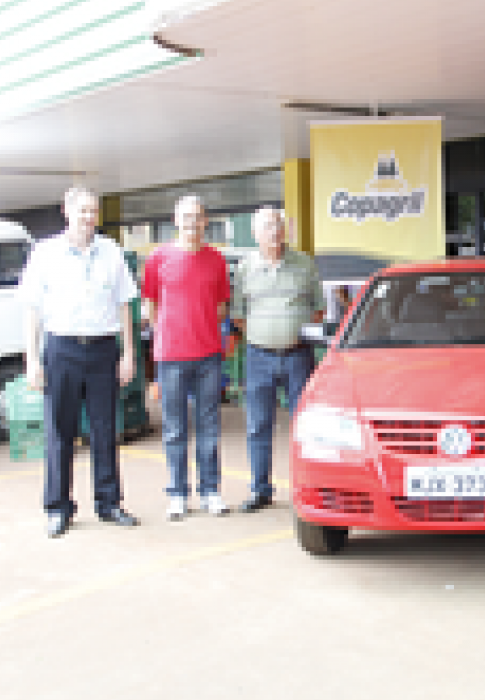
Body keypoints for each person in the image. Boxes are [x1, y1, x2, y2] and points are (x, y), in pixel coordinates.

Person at [20, 187, 140, 538]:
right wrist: (32, 359)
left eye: (93, 211)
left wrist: (128, 353)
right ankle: (58, 508)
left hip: (103, 349)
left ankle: (109, 503)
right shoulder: (45, 253)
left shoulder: (111, 252)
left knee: (105, 430)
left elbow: (124, 304)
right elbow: (32, 308)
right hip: (62, 349)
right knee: (60, 431)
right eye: (83, 210)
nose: (89, 217)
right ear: (66, 211)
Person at [142, 195, 232, 521]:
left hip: (208, 355)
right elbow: (151, 305)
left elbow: (221, 307)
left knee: (209, 425)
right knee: (175, 428)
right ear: (175, 220)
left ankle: (210, 491)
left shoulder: (216, 259)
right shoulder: (158, 258)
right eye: (187, 216)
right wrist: (168, 335)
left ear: (205, 221)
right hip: (171, 356)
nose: (192, 222)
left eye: (198, 216)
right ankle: (178, 493)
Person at [232, 208, 325, 512]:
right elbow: (238, 315)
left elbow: (318, 310)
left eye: (279, 224)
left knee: (305, 426)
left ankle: (305, 489)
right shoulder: (245, 268)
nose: (275, 230)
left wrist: (290, 331)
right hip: (258, 357)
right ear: (255, 233)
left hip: (299, 356)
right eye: (268, 226)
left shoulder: (304, 264)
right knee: (258, 426)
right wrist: (265, 334)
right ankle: (260, 490)